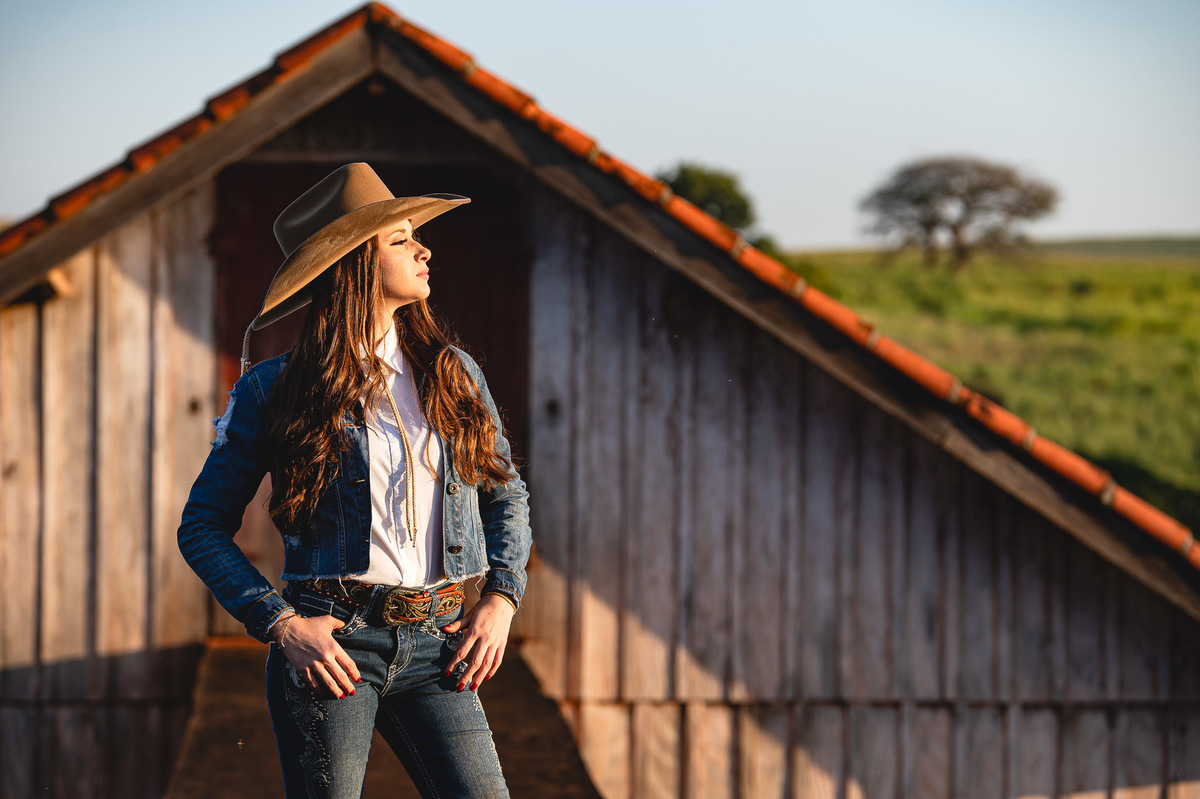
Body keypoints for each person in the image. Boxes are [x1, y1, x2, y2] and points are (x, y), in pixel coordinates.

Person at [177, 162, 531, 798]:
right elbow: (201, 527)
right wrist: (282, 625)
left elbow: (505, 495)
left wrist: (502, 599)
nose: (424, 248)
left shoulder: (453, 373)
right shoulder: (274, 389)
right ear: (353, 264)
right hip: (335, 650)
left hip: (439, 648)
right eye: (400, 239)